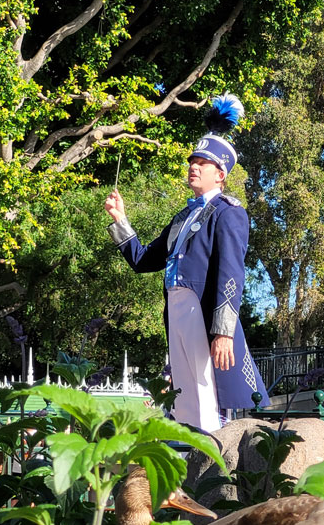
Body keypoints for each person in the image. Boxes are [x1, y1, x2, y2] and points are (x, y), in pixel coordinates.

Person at [104, 95, 267, 432]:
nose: (193, 166)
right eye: (192, 161)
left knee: (205, 387)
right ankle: (191, 452)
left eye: (202, 163)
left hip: (200, 310)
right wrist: (120, 220)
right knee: (184, 390)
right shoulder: (183, 215)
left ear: (220, 173)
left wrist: (223, 331)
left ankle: (208, 454)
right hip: (176, 307)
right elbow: (143, 259)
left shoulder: (229, 212)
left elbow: (231, 273)